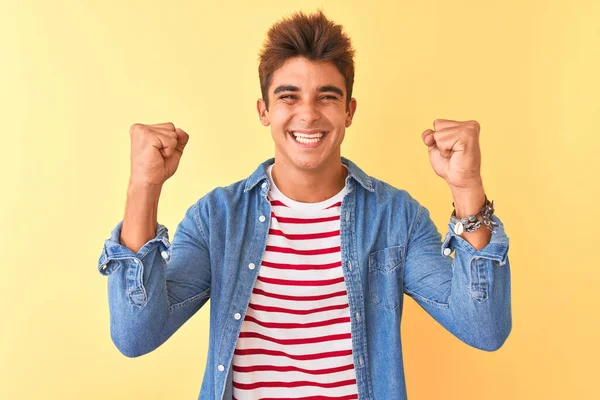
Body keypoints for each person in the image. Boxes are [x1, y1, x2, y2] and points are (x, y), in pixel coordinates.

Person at [97, 10, 512, 400]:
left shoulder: (395, 218)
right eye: (289, 97)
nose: (308, 115)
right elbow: (136, 336)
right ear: (265, 111)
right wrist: (143, 188)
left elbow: (484, 328)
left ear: (349, 111)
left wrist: (467, 186)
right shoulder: (217, 219)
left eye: (327, 97)